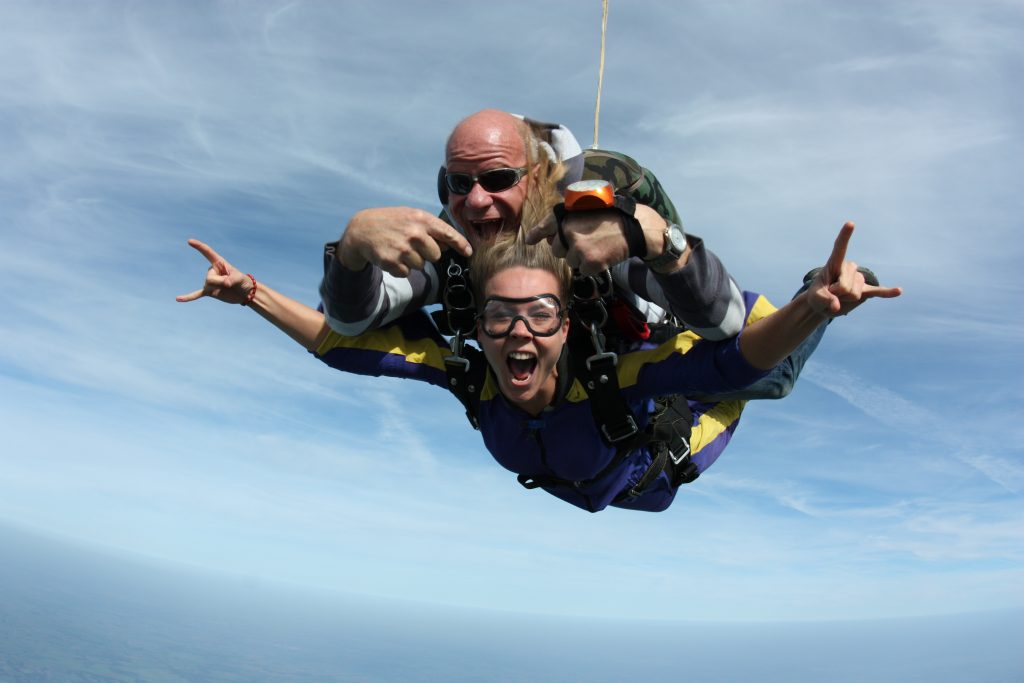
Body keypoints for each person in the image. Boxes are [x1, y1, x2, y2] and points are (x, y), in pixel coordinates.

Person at [177, 224, 901, 513]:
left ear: (565, 325)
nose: (518, 332)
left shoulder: (615, 381)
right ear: (478, 328)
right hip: (591, 479)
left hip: (666, 454)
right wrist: (251, 295)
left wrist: (817, 306)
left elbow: (739, 359)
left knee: (758, 377)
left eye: (540, 316)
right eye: (498, 317)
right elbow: (341, 346)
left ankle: (820, 286)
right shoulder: (471, 373)